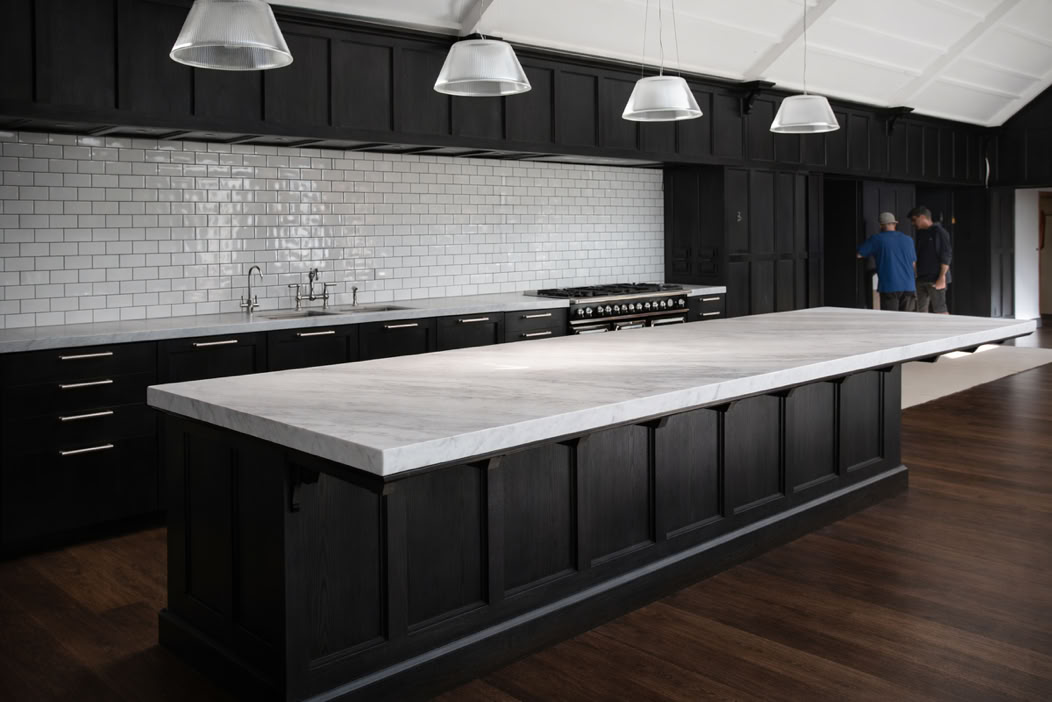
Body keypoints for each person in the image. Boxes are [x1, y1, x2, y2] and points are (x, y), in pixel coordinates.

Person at [856, 212, 917, 311]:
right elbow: (913, 264)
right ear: (895, 224)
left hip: (890, 286)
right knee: (907, 321)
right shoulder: (908, 240)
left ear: (881, 225)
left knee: (891, 321)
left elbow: (859, 254)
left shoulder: (877, 239)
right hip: (909, 286)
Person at [908, 205, 952, 314]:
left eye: (914, 220)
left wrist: (942, 277)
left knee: (940, 309)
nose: (913, 223)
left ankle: (946, 331)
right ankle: (922, 331)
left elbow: (946, 255)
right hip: (921, 278)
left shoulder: (940, 232)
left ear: (922, 217)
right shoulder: (920, 233)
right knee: (920, 310)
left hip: (935, 277)